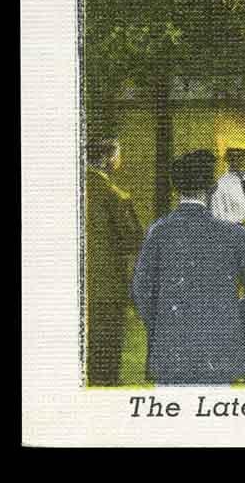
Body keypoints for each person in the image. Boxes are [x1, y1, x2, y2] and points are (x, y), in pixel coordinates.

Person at [129, 150, 245, 386]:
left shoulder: (159, 232)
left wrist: (163, 325)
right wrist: (234, 324)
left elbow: (141, 290)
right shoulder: (235, 235)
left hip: (170, 354)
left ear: (176, 189)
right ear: (212, 188)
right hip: (220, 352)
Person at [83, 136, 142, 386]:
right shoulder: (114, 194)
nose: (120, 159)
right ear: (107, 159)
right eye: (118, 154)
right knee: (106, 345)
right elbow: (133, 239)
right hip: (107, 284)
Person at [210, 147, 245, 241]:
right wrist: (242, 223)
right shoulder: (221, 185)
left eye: (241, 158)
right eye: (234, 158)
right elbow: (218, 217)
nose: (238, 162)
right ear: (228, 161)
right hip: (237, 236)